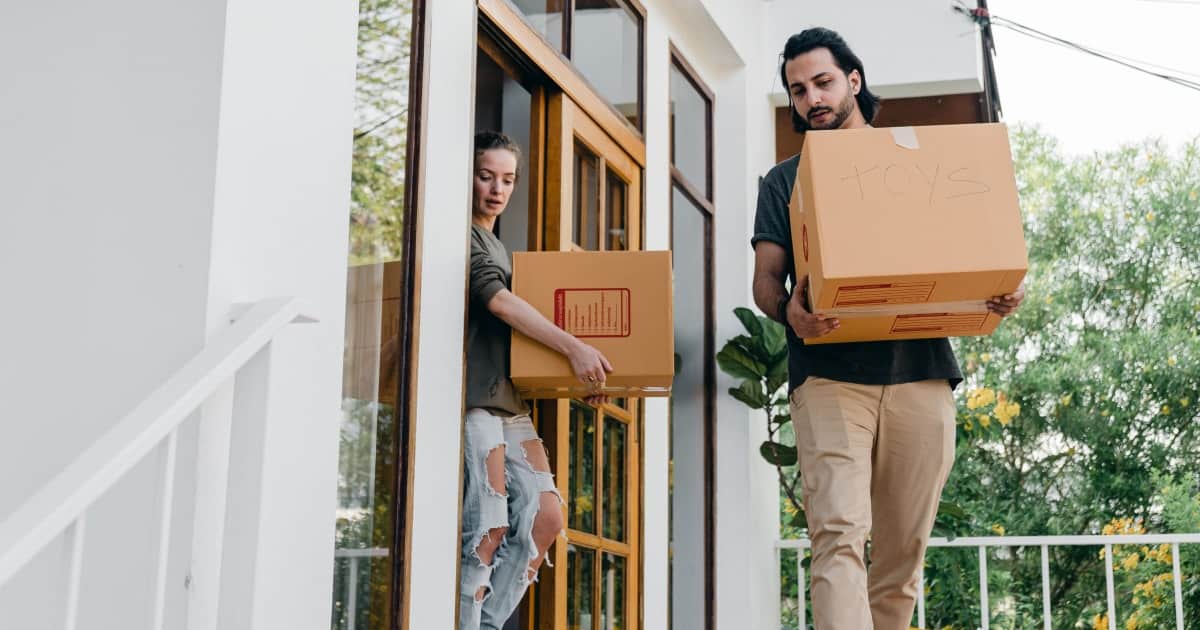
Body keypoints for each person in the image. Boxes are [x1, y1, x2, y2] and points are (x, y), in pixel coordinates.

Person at [750, 28, 1025, 629]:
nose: (811, 98)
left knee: (902, 554)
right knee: (839, 535)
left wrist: (1001, 287)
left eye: (823, 82)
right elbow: (766, 280)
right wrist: (788, 312)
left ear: (853, 80)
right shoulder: (782, 181)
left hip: (921, 373)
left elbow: (975, 250)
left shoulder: (919, 162)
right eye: (798, 90)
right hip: (827, 376)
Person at [459, 131, 612, 630]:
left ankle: (486, 623)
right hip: (476, 398)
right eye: (485, 176)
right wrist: (574, 347)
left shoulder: (503, 247)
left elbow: (523, 338)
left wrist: (581, 372)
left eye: (507, 179)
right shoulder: (461, 234)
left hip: (511, 400)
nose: (496, 189)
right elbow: (496, 301)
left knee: (546, 516)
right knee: (490, 522)